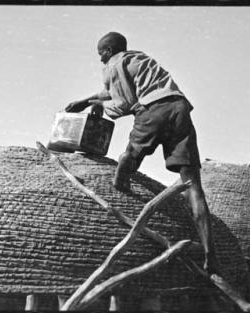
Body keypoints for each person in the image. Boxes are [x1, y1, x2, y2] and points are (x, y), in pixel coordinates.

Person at [65, 31, 219, 273]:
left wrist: (97, 106)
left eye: (100, 54)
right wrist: (87, 100)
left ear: (107, 51)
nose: (100, 60)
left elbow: (122, 104)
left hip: (154, 111)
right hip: (179, 108)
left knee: (126, 162)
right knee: (193, 186)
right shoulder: (139, 60)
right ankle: (211, 253)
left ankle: (122, 195)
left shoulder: (113, 64)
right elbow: (114, 91)